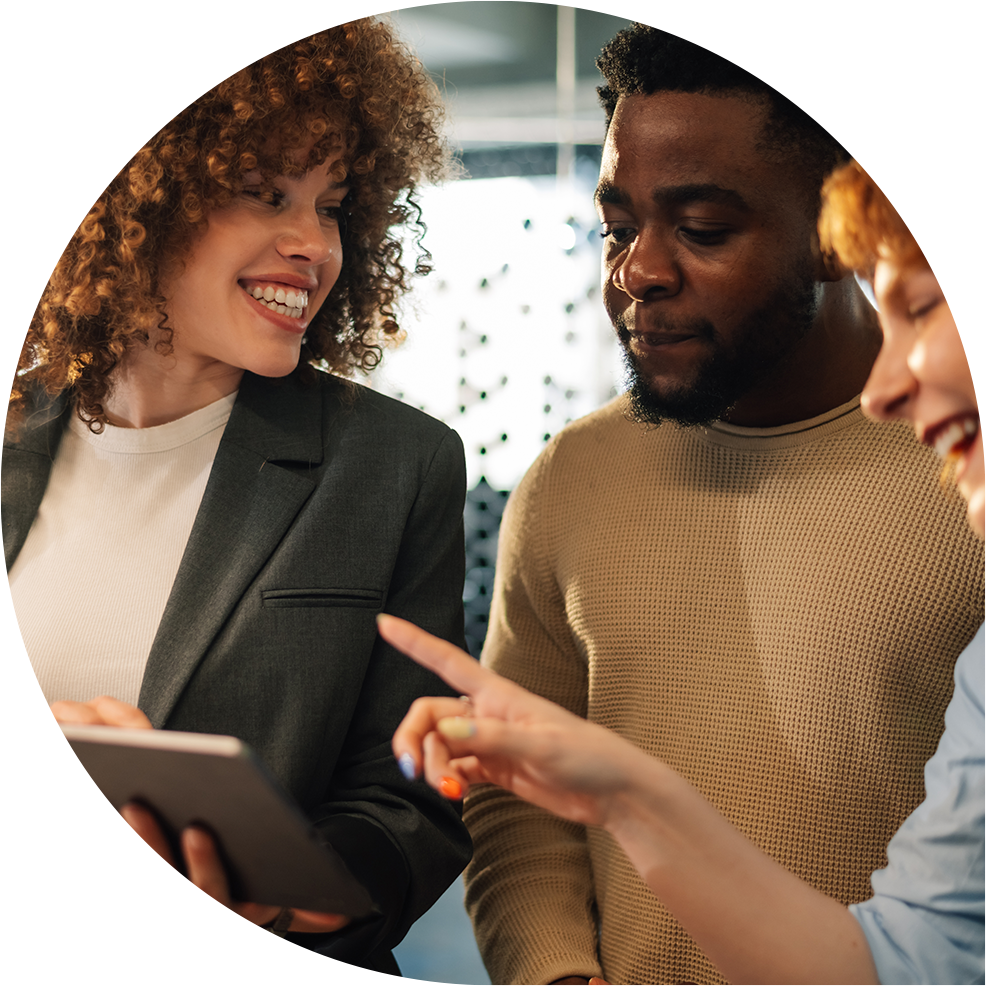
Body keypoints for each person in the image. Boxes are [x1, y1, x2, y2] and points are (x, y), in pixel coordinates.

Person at [426, 23, 986, 986]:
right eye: (618, 227)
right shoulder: (570, 478)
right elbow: (520, 804)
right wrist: (559, 977)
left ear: (834, 235)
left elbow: (927, 943)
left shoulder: (966, 468)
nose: (636, 272)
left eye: (703, 229)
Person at [1, 18, 469, 983]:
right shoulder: (12, 431)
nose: (314, 246)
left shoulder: (393, 464)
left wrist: (294, 898)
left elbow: (411, 800)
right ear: (139, 202)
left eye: (333, 206)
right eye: (266, 194)